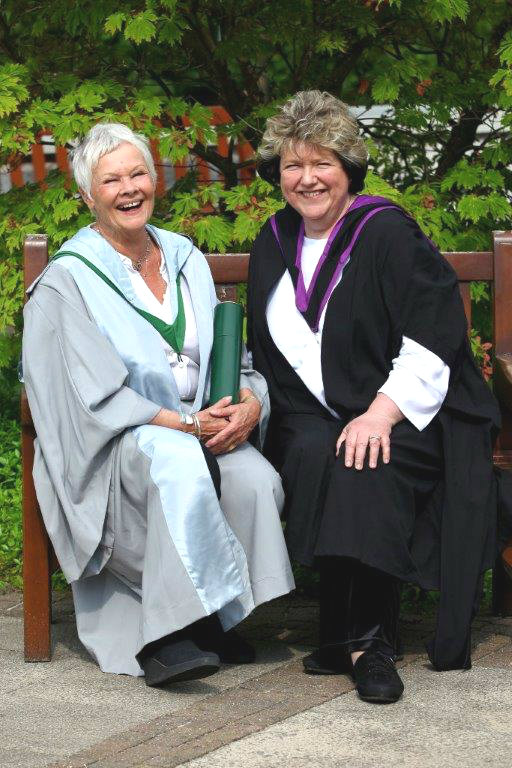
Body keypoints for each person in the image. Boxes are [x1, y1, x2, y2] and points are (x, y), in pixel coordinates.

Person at [247, 90, 501, 703]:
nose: (306, 179)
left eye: (322, 163)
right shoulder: (272, 241)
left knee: (363, 455)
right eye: (292, 165)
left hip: (414, 408)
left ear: (348, 169)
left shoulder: (384, 232)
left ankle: (368, 643)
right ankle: (338, 629)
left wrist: (381, 412)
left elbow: (435, 334)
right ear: (277, 174)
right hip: (313, 412)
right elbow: (261, 350)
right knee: (311, 450)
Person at [22, 123, 294, 685]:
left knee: (253, 478)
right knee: (176, 462)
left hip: (200, 424)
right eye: (111, 179)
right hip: (118, 443)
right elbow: (81, 398)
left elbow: (234, 361)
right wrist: (183, 424)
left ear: (155, 180)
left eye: (138, 173)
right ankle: (162, 635)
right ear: (86, 195)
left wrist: (245, 403)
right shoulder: (66, 281)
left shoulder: (183, 256)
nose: (129, 188)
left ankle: (215, 614)